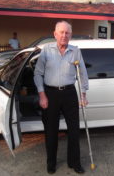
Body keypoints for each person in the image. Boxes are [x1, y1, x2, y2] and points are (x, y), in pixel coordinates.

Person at [34, 21, 89, 174]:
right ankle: (51, 163)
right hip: (50, 94)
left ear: (71, 35)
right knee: (51, 131)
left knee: (74, 130)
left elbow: (83, 73)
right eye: (61, 32)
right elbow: (38, 73)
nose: (64, 35)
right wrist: (42, 95)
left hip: (69, 93)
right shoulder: (46, 50)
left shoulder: (75, 51)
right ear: (55, 34)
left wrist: (83, 94)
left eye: (67, 33)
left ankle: (74, 162)